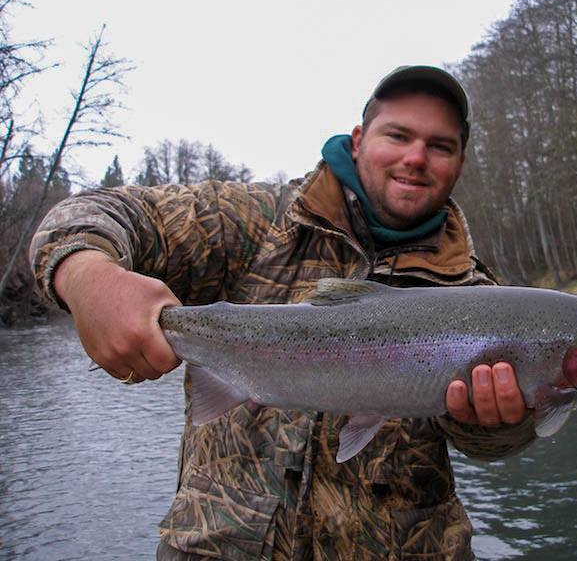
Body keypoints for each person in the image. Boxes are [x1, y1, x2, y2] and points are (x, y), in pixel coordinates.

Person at [30, 66, 539, 560]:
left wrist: (499, 425)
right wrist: (87, 277)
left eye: (440, 146)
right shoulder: (254, 221)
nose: (416, 157)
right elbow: (93, 212)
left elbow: (491, 446)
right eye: (399, 135)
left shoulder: (477, 294)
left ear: (461, 162)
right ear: (359, 139)